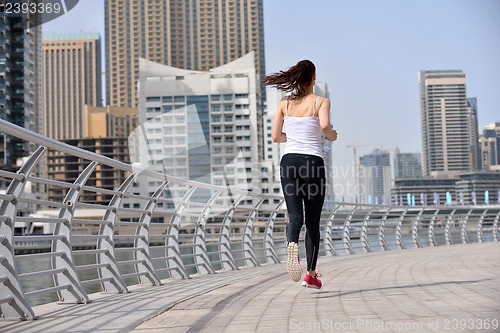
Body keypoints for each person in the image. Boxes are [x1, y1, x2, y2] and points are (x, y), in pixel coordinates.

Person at [263, 60, 337, 289]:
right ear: (314, 77)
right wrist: (332, 135)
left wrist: (294, 138)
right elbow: (325, 126)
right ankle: (311, 274)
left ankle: (291, 243)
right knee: (313, 222)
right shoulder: (321, 102)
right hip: (312, 163)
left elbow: (276, 137)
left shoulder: (285, 103)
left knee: (295, 216)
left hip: (289, 162)